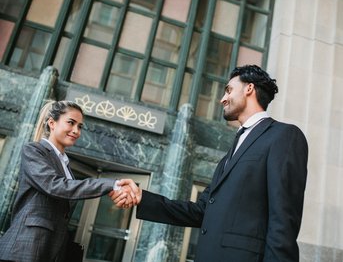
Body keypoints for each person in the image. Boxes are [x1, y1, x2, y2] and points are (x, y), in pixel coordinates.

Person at [110, 65, 308, 262]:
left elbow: (283, 220)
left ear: (249, 88)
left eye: (229, 90)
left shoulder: (284, 136)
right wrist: (142, 197)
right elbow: (201, 211)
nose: (222, 99)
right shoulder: (231, 153)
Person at [0, 100, 138, 262]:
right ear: (52, 123)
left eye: (80, 126)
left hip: (51, 248)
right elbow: (54, 185)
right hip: (25, 247)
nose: (76, 131)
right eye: (71, 123)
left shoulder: (65, 165)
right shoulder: (34, 150)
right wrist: (111, 184)